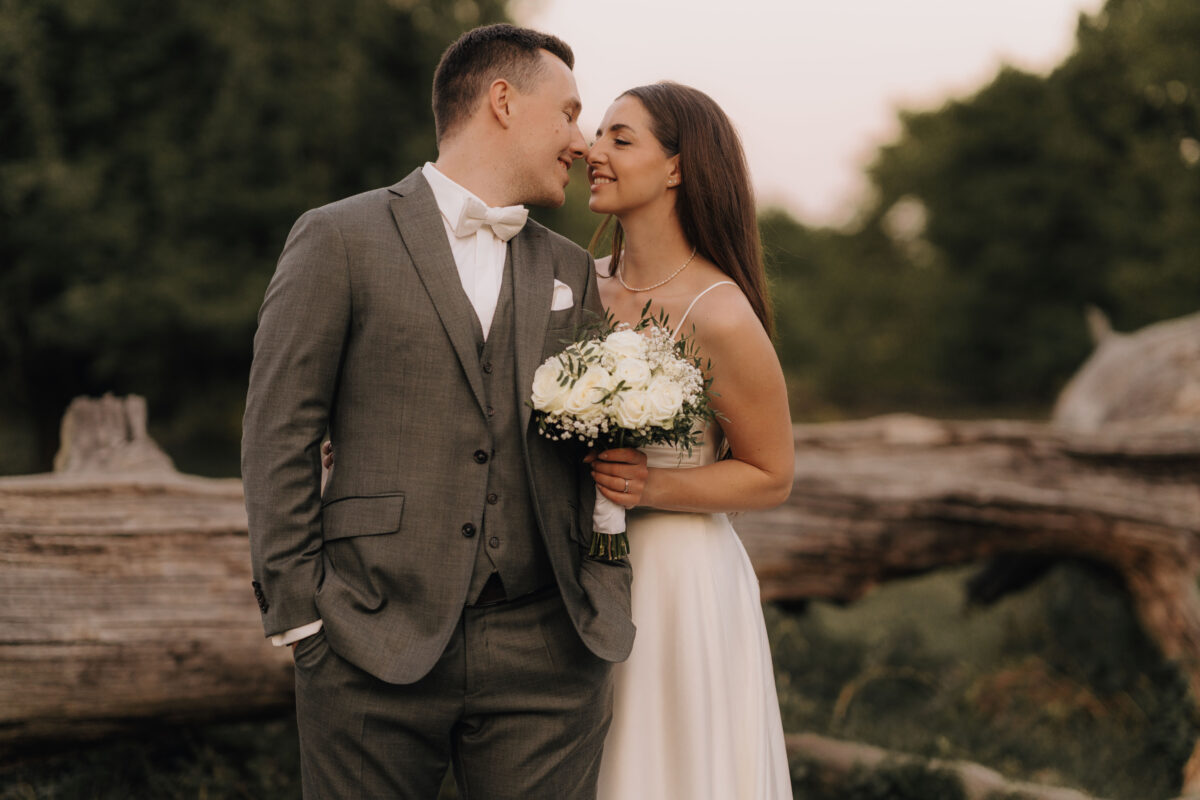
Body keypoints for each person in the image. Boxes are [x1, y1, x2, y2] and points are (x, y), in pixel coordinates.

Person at [241, 23, 647, 799]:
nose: (581, 139)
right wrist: (301, 618)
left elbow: (595, 444)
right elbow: (278, 431)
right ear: (502, 100)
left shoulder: (568, 267)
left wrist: (603, 589)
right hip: (367, 640)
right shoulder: (339, 237)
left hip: (550, 654)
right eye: (566, 113)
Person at [587, 83, 795, 798]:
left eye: (621, 139)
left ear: (676, 167)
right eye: (596, 134)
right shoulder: (576, 288)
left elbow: (771, 474)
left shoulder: (721, 311)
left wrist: (652, 486)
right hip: (577, 574)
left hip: (678, 582)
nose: (594, 151)